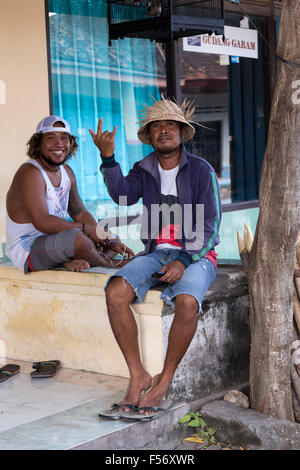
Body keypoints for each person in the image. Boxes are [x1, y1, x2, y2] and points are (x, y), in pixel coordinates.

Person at [90, 97, 222, 419]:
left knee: (188, 302)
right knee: (115, 291)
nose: (164, 130)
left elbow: (212, 223)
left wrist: (185, 259)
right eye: (157, 126)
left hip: (196, 254)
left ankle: (164, 379)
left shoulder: (201, 171)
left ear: (181, 132)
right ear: (149, 136)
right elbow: (123, 195)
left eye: (170, 125)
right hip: (155, 252)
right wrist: (108, 158)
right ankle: (138, 376)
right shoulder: (144, 169)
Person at [6, 115, 134, 274]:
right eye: (50, 137)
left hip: (56, 240)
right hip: (27, 250)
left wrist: (104, 236)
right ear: (38, 143)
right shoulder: (30, 173)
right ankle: (108, 264)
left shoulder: (66, 172)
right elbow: (43, 222)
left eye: (64, 137)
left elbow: (80, 212)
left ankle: (76, 260)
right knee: (79, 238)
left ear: (71, 143)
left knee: (108, 236)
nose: (59, 143)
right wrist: (88, 230)